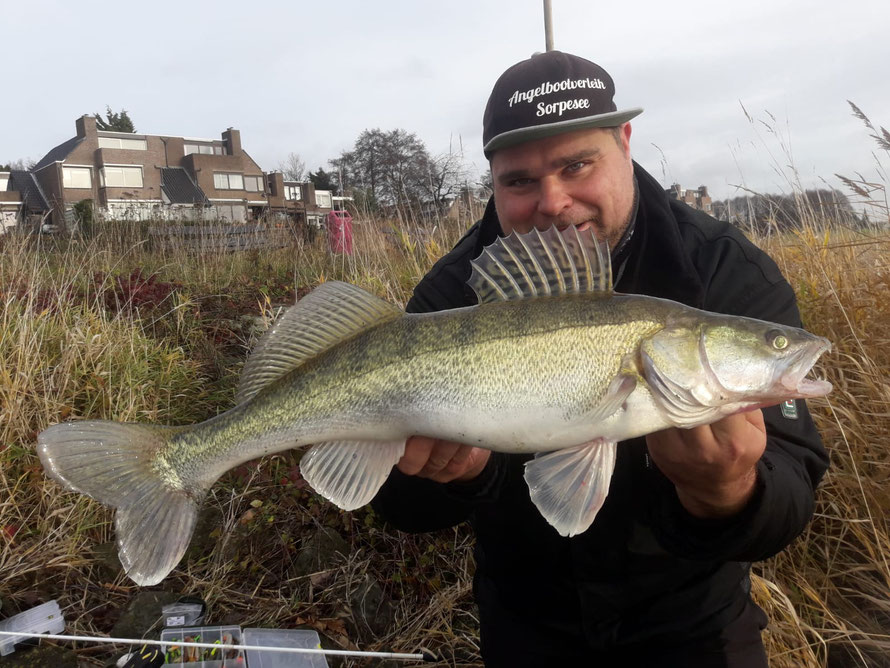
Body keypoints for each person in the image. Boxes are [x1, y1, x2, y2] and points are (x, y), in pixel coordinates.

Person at [372, 51, 828, 667]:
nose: (554, 202)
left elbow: (789, 500)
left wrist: (724, 490)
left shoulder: (723, 271)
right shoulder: (454, 295)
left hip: (695, 630)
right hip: (525, 626)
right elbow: (399, 508)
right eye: (520, 181)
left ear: (626, 143)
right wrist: (462, 477)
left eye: (576, 165)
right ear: (494, 183)